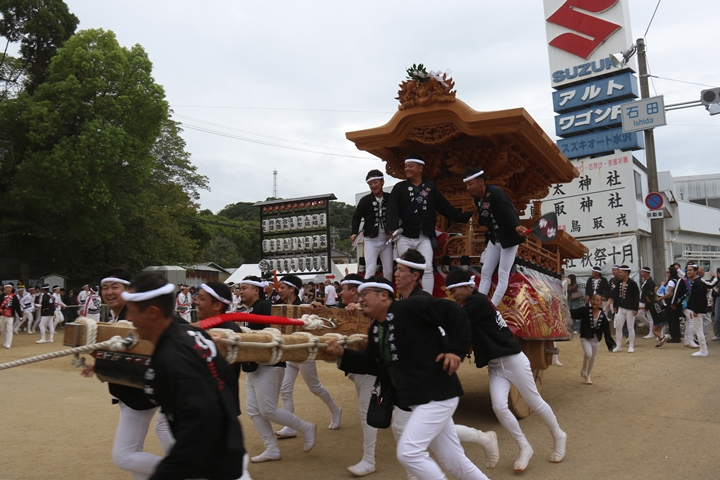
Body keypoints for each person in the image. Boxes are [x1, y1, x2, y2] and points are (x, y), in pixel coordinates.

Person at [326, 276, 490, 480]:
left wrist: (455, 350)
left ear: (383, 295)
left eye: (365, 294)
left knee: (409, 452)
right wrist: (342, 353)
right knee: (454, 462)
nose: (361, 300)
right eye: (360, 296)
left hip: (437, 393)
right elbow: (372, 363)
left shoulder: (410, 307)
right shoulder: (377, 329)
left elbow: (455, 311)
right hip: (417, 399)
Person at [122, 273, 250, 480]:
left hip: (212, 465)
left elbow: (203, 424)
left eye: (132, 311)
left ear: (152, 312)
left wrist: (167, 472)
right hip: (224, 452)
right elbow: (224, 381)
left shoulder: (173, 356)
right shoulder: (194, 335)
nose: (128, 318)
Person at [444, 270, 567, 472]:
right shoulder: (472, 304)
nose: (452, 295)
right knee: (499, 407)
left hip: (513, 361)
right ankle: (524, 447)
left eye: (454, 290)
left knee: (534, 401)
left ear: (466, 287)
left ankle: (559, 435)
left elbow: (457, 323)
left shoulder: (477, 303)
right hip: (496, 366)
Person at [82, 269, 174, 480]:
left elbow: (139, 353)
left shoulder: (132, 318)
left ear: (128, 290)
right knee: (134, 452)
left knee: (124, 455)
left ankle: (186, 470)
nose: (109, 292)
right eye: (105, 287)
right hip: (135, 392)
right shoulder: (119, 318)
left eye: (115, 287)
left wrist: (103, 361)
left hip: (140, 394)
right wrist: (99, 364)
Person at [231, 276, 316, 464]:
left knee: (268, 409)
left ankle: (305, 427)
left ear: (256, 290)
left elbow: (280, 323)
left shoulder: (265, 306)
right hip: (253, 366)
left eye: (244, 288)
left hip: (269, 365)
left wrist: (308, 307)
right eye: (240, 288)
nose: (240, 291)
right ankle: (271, 448)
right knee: (253, 410)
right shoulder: (250, 310)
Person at [386, 155, 472, 295]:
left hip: (424, 236)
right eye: (406, 166)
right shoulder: (399, 188)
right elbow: (392, 208)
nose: (407, 169)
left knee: (427, 268)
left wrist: (465, 216)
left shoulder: (429, 188)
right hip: (405, 236)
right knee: (405, 269)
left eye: (410, 166)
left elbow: (444, 207)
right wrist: (391, 226)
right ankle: (407, 298)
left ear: (420, 168)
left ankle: (427, 299)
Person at [276, 275, 342, 439]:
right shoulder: (282, 307)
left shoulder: (305, 307)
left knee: (315, 387)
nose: (279, 290)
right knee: (285, 390)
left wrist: (314, 307)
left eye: (282, 287)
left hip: (305, 353)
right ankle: (290, 426)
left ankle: (335, 410)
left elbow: (320, 315)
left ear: (292, 289)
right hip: (290, 353)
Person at [463, 167, 528, 306]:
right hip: (494, 238)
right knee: (486, 271)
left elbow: (508, 211)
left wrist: (517, 226)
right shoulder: (478, 199)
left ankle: (492, 307)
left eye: (470, 184)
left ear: (481, 182)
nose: (468, 188)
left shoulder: (497, 194)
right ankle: (480, 304)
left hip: (509, 239)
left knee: (503, 274)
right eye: (466, 185)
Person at [337, 274, 378, 476]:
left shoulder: (374, 312)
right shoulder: (347, 310)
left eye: (342, 289)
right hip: (360, 369)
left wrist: (361, 310)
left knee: (367, 414)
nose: (339, 293)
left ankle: (369, 460)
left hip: (371, 370)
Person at [352, 169, 394, 281]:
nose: (373, 186)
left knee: (389, 270)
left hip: (387, 239)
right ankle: (368, 291)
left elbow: (396, 214)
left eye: (375, 182)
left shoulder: (390, 198)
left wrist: (393, 227)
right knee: (370, 269)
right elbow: (356, 217)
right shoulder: (365, 200)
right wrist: (354, 232)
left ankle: (387, 290)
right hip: (371, 239)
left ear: (382, 182)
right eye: (370, 184)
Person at [570, 294, 616, 384]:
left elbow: (607, 330)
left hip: (596, 340)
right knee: (588, 354)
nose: (595, 302)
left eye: (598, 300)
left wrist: (610, 343)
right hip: (585, 337)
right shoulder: (584, 310)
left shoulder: (602, 316)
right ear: (590, 301)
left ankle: (588, 376)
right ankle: (584, 366)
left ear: (601, 303)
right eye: (593, 299)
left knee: (593, 358)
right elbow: (572, 313)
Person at [611, 266, 639, 353]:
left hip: (630, 309)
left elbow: (636, 297)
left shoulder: (633, 283)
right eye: (619, 272)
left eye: (621, 272)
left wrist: (636, 308)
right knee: (618, 327)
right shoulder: (619, 283)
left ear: (626, 273)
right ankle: (619, 346)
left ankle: (631, 346)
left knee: (630, 327)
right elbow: (616, 295)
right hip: (621, 308)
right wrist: (615, 306)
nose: (619, 274)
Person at [686, 264, 710, 357]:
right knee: (698, 330)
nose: (688, 272)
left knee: (698, 330)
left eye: (690, 270)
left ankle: (703, 350)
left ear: (696, 271)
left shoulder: (698, 283)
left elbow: (699, 298)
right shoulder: (696, 282)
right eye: (687, 270)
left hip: (698, 310)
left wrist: (696, 311)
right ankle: (703, 350)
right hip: (697, 310)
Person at [1, 283, 22, 349]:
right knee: (2, 330)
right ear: (4, 289)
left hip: (10, 316)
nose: (8, 289)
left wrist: (20, 315)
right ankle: (5, 341)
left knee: (9, 329)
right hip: (2, 315)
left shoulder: (14, 297)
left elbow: (17, 306)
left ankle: (8, 343)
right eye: (6, 288)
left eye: (9, 288)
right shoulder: (1, 296)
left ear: (11, 289)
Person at [638, 267, 657, 339]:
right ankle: (645, 322)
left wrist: (647, 304)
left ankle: (651, 333)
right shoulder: (644, 281)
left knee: (650, 317)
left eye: (642, 272)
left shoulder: (650, 282)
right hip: (642, 300)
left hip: (647, 302)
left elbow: (650, 294)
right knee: (637, 313)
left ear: (646, 273)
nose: (641, 273)